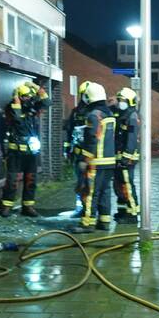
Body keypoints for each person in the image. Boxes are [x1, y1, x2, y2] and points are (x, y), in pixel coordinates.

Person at [0, 80, 49, 217]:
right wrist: (16, 99)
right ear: (19, 97)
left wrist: (36, 87)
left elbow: (47, 102)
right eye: (26, 97)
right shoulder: (11, 107)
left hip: (31, 151)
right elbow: (17, 120)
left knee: (31, 179)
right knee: (12, 180)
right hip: (15, 152)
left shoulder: (31, 107)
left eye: (30, 96)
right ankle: (7, 205)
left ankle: (28, 206)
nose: (29, 99)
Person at [74, 82, 116, 232]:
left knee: (90, 192)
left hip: (95, 161)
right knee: (105, 191)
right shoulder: (109, 114)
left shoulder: (93, 116)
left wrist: (85, 159)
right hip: (109, 161)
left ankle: (87, 223)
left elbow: (92, 139)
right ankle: (104, 221)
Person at [113, 87, 141, 224]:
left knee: (127, 185)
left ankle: (133, 214)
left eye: (122, 100)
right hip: (119, 157)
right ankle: (122, 211)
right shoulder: (121, 114)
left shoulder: (132, 116)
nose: (120, 103)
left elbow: (132, 139)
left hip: (127, 159)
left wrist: (126, 158)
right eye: (119, 100)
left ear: (130, 101)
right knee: (118, 185)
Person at [65, 81, 91, 216]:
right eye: (84, 94)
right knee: (80, 182)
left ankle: (91, 209)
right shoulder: (76, 112)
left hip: (92, 155)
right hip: (78, 152)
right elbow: (69, 131)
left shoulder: (96, 111)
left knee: (90, 183)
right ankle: (82, 208)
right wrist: (68, 150)